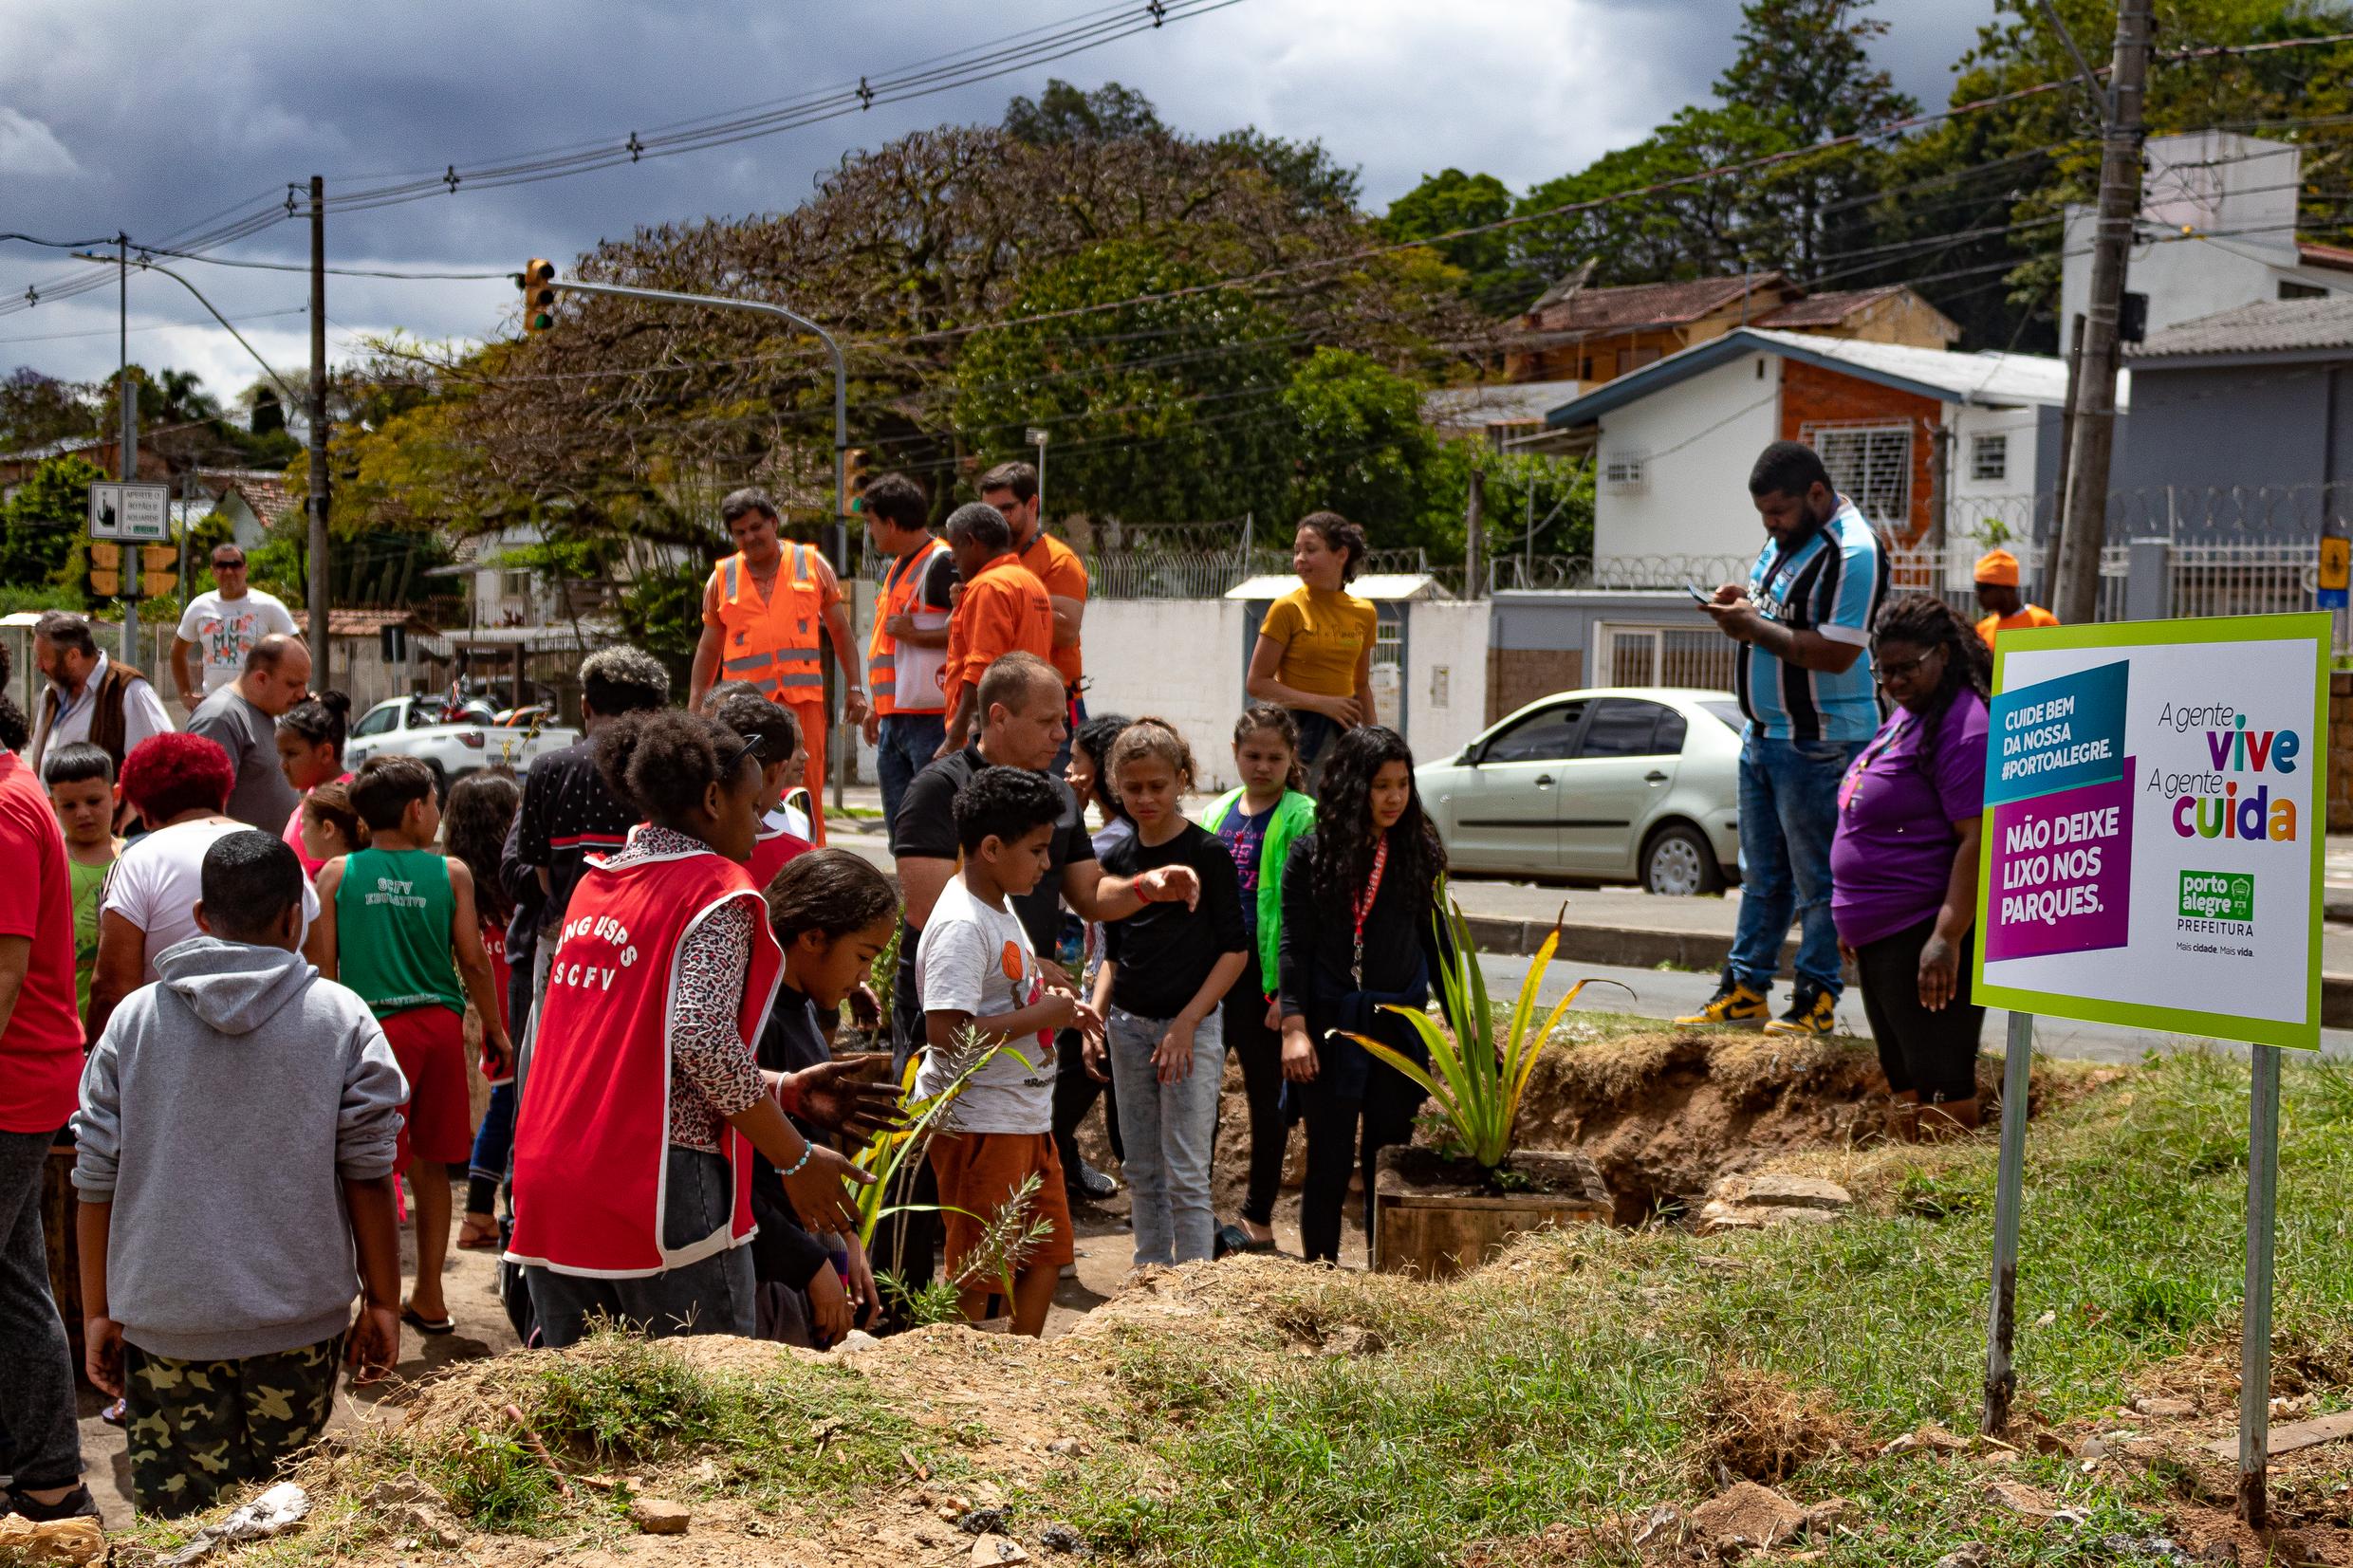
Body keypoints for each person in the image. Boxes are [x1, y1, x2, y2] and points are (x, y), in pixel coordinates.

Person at [506, 712, 873, 1347]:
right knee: (704, 1419)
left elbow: (630, 1054)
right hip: (653, 1190)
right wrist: (798, 1155)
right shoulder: (717, 889)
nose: (762, 831)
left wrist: (781, 1088)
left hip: (551, 1187)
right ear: (711, 800)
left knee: (589, 1421)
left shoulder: (596, 885)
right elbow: (700, 1038)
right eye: (756, 807)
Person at [74, 831, 404, 1519]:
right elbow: (370, 1174)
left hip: (164, 1325)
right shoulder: (342, 1017)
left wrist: (98, 1308)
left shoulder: (133, 1021)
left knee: (179, 1534)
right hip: (298, 1326)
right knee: (285, 1530)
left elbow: (95, 1176)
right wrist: (383, 1300)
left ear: (201, 916)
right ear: (295, 917)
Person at [1681, 439, 1889, 1037]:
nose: (1770, 524)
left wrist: (1754, 627)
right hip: (1765, 737)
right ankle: (1745, 990)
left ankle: (1816, 999)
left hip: (1821, 744)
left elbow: (1837, 650)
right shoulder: (1787, 540)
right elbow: (1777, 612)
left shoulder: (1855, 552)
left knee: (1819, 881)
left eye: (1778, 511)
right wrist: (1740, 605)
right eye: (1763, 515)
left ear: (1817, 495)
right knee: (1762, 875)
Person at [307, 755, 511, 1337]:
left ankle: (376, 1295)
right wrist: (495, 1029)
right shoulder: (451, 875)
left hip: (368, 1033)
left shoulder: (337, 874)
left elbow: (324, 971)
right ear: (418, 809)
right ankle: (431, 1295)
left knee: (367, 1164)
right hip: (438, 1029)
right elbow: (472, 961)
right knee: (432, 1164)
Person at [917, 766, 1099, 1336]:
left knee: (1045, 1253)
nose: (1048, 864)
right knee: (979, 1270)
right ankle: (970, 1386)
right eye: (1039, 850)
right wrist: (1037, 1018)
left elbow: (1005, 980)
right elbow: (945, 1035)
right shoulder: (960, 924)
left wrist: (1047, 986)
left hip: (1023, 1119)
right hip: (980, 1124)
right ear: (991, 848)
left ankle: (1019, 1374)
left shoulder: (997, 902)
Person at [1279, 726, 1447, 1267]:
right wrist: (1294, 1027)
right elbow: (1293, 948)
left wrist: (1463, 1021)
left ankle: (1384, 1279)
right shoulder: (1310, 855)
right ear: (1354, 786)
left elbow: (1439, 944)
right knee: (1326, 1164)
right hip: (1329, 1029)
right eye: (1381, 785)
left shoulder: (1419, 849)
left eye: (1402, 784)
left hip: (1397, 1028)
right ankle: (1320, 1281)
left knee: (1388, 1161)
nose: (1394, 797)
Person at [1086, 722, 1248, 1269]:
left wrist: (1186, 1023)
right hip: (1129, 1028)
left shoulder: (1207, 853)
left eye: (1157, 786)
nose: (1146, 799)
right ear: (1116, 788)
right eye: (1133, 789)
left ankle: (1195, 1295)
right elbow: (1113, 950)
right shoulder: (1120, 860)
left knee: (1185, 1170)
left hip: (1189, 1030)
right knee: (1141, 1167)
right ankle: (1150, 1279)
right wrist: (1097, 1014)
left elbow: (1234, 953)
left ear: (1181, 780)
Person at [1833, 595, 1992, 1141]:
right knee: (1904, 1075)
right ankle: (1914, 1193)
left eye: (1907, 668)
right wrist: (1849, 916)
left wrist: (1947, 936)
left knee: (1943, 1080)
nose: (1893, 682)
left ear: (1943, 656)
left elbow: (1977, 839)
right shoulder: (1909, 716)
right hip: (1881, 934)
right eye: (1884, 671)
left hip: (1922, 931)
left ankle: (1949, 1208)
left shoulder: (1965, 726)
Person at [0, 682, 94, 1525]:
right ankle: (48, 1476)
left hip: (10, 1085)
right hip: (26, 1082)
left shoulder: (3, 808)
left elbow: (4, 972)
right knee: (15, 1282)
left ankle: (48, 1475)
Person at [751, 851, 903, 1346]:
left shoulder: (802, 1009)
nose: (863, 978)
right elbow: (742, 1183)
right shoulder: (760, 1022)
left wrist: (846, 1243)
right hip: (770, 1273)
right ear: (813, 937)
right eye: (862, 957)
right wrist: (812, 1265)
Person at [89, 733, 320, 1042]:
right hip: (282, 1058)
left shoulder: (137, 862)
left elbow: (111, 989)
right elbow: (318, 969)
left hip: (168, 1061)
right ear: (223, 796)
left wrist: (101, 1064)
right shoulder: (278, 853)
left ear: (144, 814)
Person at [688, 487, 868, 845]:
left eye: (756, 527)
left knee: (807, 788)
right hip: (742, 710)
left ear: (773, 523)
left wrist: (855, 688)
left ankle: (813, 861)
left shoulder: (813, 565)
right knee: (741, 786)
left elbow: (841, 632)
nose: (750, 537)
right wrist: (697, 705)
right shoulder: (721, 577)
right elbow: (709, 649)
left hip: (802, 705)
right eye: (740, 532)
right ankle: (743, 854)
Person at [1199, 707, 1315, 1253]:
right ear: (1235, 752)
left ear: (1292, 757)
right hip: (1215, 977)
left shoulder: (1303, 816)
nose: (1263, 765)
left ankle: (1258, 1217)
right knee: (1201, 1098)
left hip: (1265, 986)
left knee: (1268, 1100)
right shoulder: (1216, 812)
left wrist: (1286, 996)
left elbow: (1304, 915)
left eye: (1274, 756)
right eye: (1253, 755)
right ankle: (1194, 1208)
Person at [515, 646, 668, 1038]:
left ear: (585, 706)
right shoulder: (670, 772)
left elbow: (541, 875)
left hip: (565, 946)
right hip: (648, 953)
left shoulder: (548, 769)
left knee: (551, 1067)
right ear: (655, 711)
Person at [1056, 711, 1132, 1200]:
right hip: (1098, 995)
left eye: (1076, 760)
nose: (1067, 770)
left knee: (1061, 1102)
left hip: (1111, 1000)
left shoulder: (1110, 844)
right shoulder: (1107, 833)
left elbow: (1064, 897)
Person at [447, 772, 523, 1255]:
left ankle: (478, 1213)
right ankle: (486, 1213)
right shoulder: (515, 887)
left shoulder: (459, 885)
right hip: (516, 1021)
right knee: (512, 1113)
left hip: (493, 1018)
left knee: (502, 1108)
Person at [1246, 512, 1378, 788]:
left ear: (1341, 554)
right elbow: (1257, 684)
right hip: (1299, 733)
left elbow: (1361, 684)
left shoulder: (1365, 612)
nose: (1299, 559)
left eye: (1310, 550)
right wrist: (1323, 704)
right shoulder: (1287, 608)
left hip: (1346, 732)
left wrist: (1376, 740)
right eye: (1296, 551)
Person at [860, 471, 956, 825]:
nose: (870, 532)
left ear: (890, 522)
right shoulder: (900, 566)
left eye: (871, 523)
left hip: (930, 719)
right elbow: (889, 648)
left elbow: (967, 632)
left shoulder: (941, 562)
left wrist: (915, 636)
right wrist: (878, 706)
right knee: (902, 830)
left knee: (930, 827)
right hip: (896, 716)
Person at [936, 503, 1054, 759]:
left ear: (971, 542)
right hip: (1025, 725)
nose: (953, 558)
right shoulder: (1029, 582)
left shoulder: (989, 587)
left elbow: (981, 669)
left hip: (991, 735)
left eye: (955, 547)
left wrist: (955, 738)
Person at [980, 460, 1090, 737]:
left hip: (1055, 708)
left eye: (1006, 509)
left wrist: (1008, 601)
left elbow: (1065, 631)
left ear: (1032, 504)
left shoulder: (1059, 560)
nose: (996, 519)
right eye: (989, 511)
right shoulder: (986, 560)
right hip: (1004, 706)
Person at [188, 634, 311, 831]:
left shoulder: (269, 711)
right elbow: (202, 816)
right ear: (261, 679)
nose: (302, 694)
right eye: (293, 684)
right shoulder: (220, 719)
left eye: (304, 685)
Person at [27, 610, 172, 777]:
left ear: (73, 655)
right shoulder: (52, 693)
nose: (38, 665)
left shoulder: (129, 690)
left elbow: (160, 762)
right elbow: (38, 759)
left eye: (44, 658)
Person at [708, 687, 814, 892]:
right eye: (797, 746)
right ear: (778, 771)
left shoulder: (658, 837)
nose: (805, 756)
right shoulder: (801, 860)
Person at [43, 744, 122, 1017]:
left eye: (93, 801)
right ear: (52, 805)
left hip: (120, 1013)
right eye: (69, 805)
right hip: (62, 1013)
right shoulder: (50, 862)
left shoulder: (133, 859)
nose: (83, 813)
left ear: (116, 795)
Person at [171, 544, 296, 710]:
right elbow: (177, 651)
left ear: (245, 569)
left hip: (259, 707)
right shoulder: (199, 606)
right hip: (214, 707)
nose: (229, 571)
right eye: (221, 566)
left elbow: (299, 653)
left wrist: (288, 695)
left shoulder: (269, 606)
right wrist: (185, 694)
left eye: (235, 565)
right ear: (212, 571)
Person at [275, 691, 353, 877]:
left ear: (325, 753)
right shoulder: (316, 793)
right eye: (281, 754)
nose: (283, 765)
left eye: (292, 754)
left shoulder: (345, 802)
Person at [1972, 548, 2060, 651]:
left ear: (2006, 588)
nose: (1978, 594)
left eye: (1983, 588)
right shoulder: (1982, 629)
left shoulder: (2042, 622)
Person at [297, 779, 367, 869]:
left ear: (328, 829)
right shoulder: (377, 867)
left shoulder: (337, 877)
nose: (300, 835)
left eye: (303, 826)